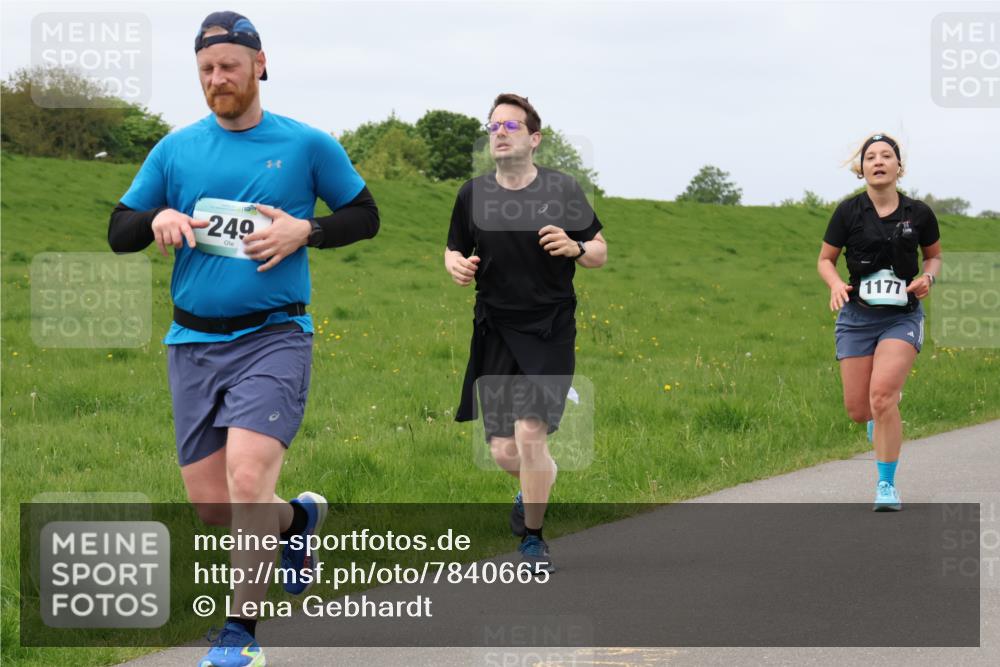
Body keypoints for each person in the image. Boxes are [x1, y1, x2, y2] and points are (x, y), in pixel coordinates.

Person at [107, 11, 379, 666]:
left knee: (249, 475)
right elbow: (118, 229)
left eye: (229, 65)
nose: (216, 78)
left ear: (260, 65)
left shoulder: (309, 145)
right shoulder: (174, 150)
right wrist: (157, 217)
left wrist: (304, 231)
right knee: (212, 506)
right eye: (205, 69)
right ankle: (298, 521)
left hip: (274, 335)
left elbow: (364, 215)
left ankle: (240, 636)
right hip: (192, 343)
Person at [445, 93, 607, 572]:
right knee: (503, 450)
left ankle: (533, 540)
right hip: (494, 328)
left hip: (549, 327)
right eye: (493, 126)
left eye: (510, 126)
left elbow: (600, 250)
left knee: (531, 435)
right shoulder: (472, 195)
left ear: (534, 139)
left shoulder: (561, 190)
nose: (498, 133)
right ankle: (537, 482)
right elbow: (453, 248)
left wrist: (575, 247)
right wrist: (456, 264)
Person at [817, 133, 941, 512]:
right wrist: (836, 283)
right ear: (862, 169)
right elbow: (825, 259)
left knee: (882, 396)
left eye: (887, 155)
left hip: (900, 318)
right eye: (871, 157)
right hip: (856, 318)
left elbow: (933, 257)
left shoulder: (918, 213)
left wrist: (928, 278)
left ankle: (886, 486)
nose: (879, 161)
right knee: (860, 410)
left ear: (898, 167)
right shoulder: (848, 212)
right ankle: (880, 412)